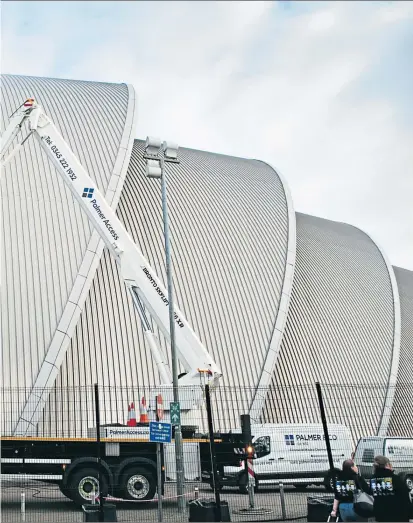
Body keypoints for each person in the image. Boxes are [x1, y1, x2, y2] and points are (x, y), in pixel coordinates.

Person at [370, 455, 413, 522]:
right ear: (387, 465)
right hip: (398, 516)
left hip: (381, 515)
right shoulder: (395, 479)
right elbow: (405, 498)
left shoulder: (373, 480)